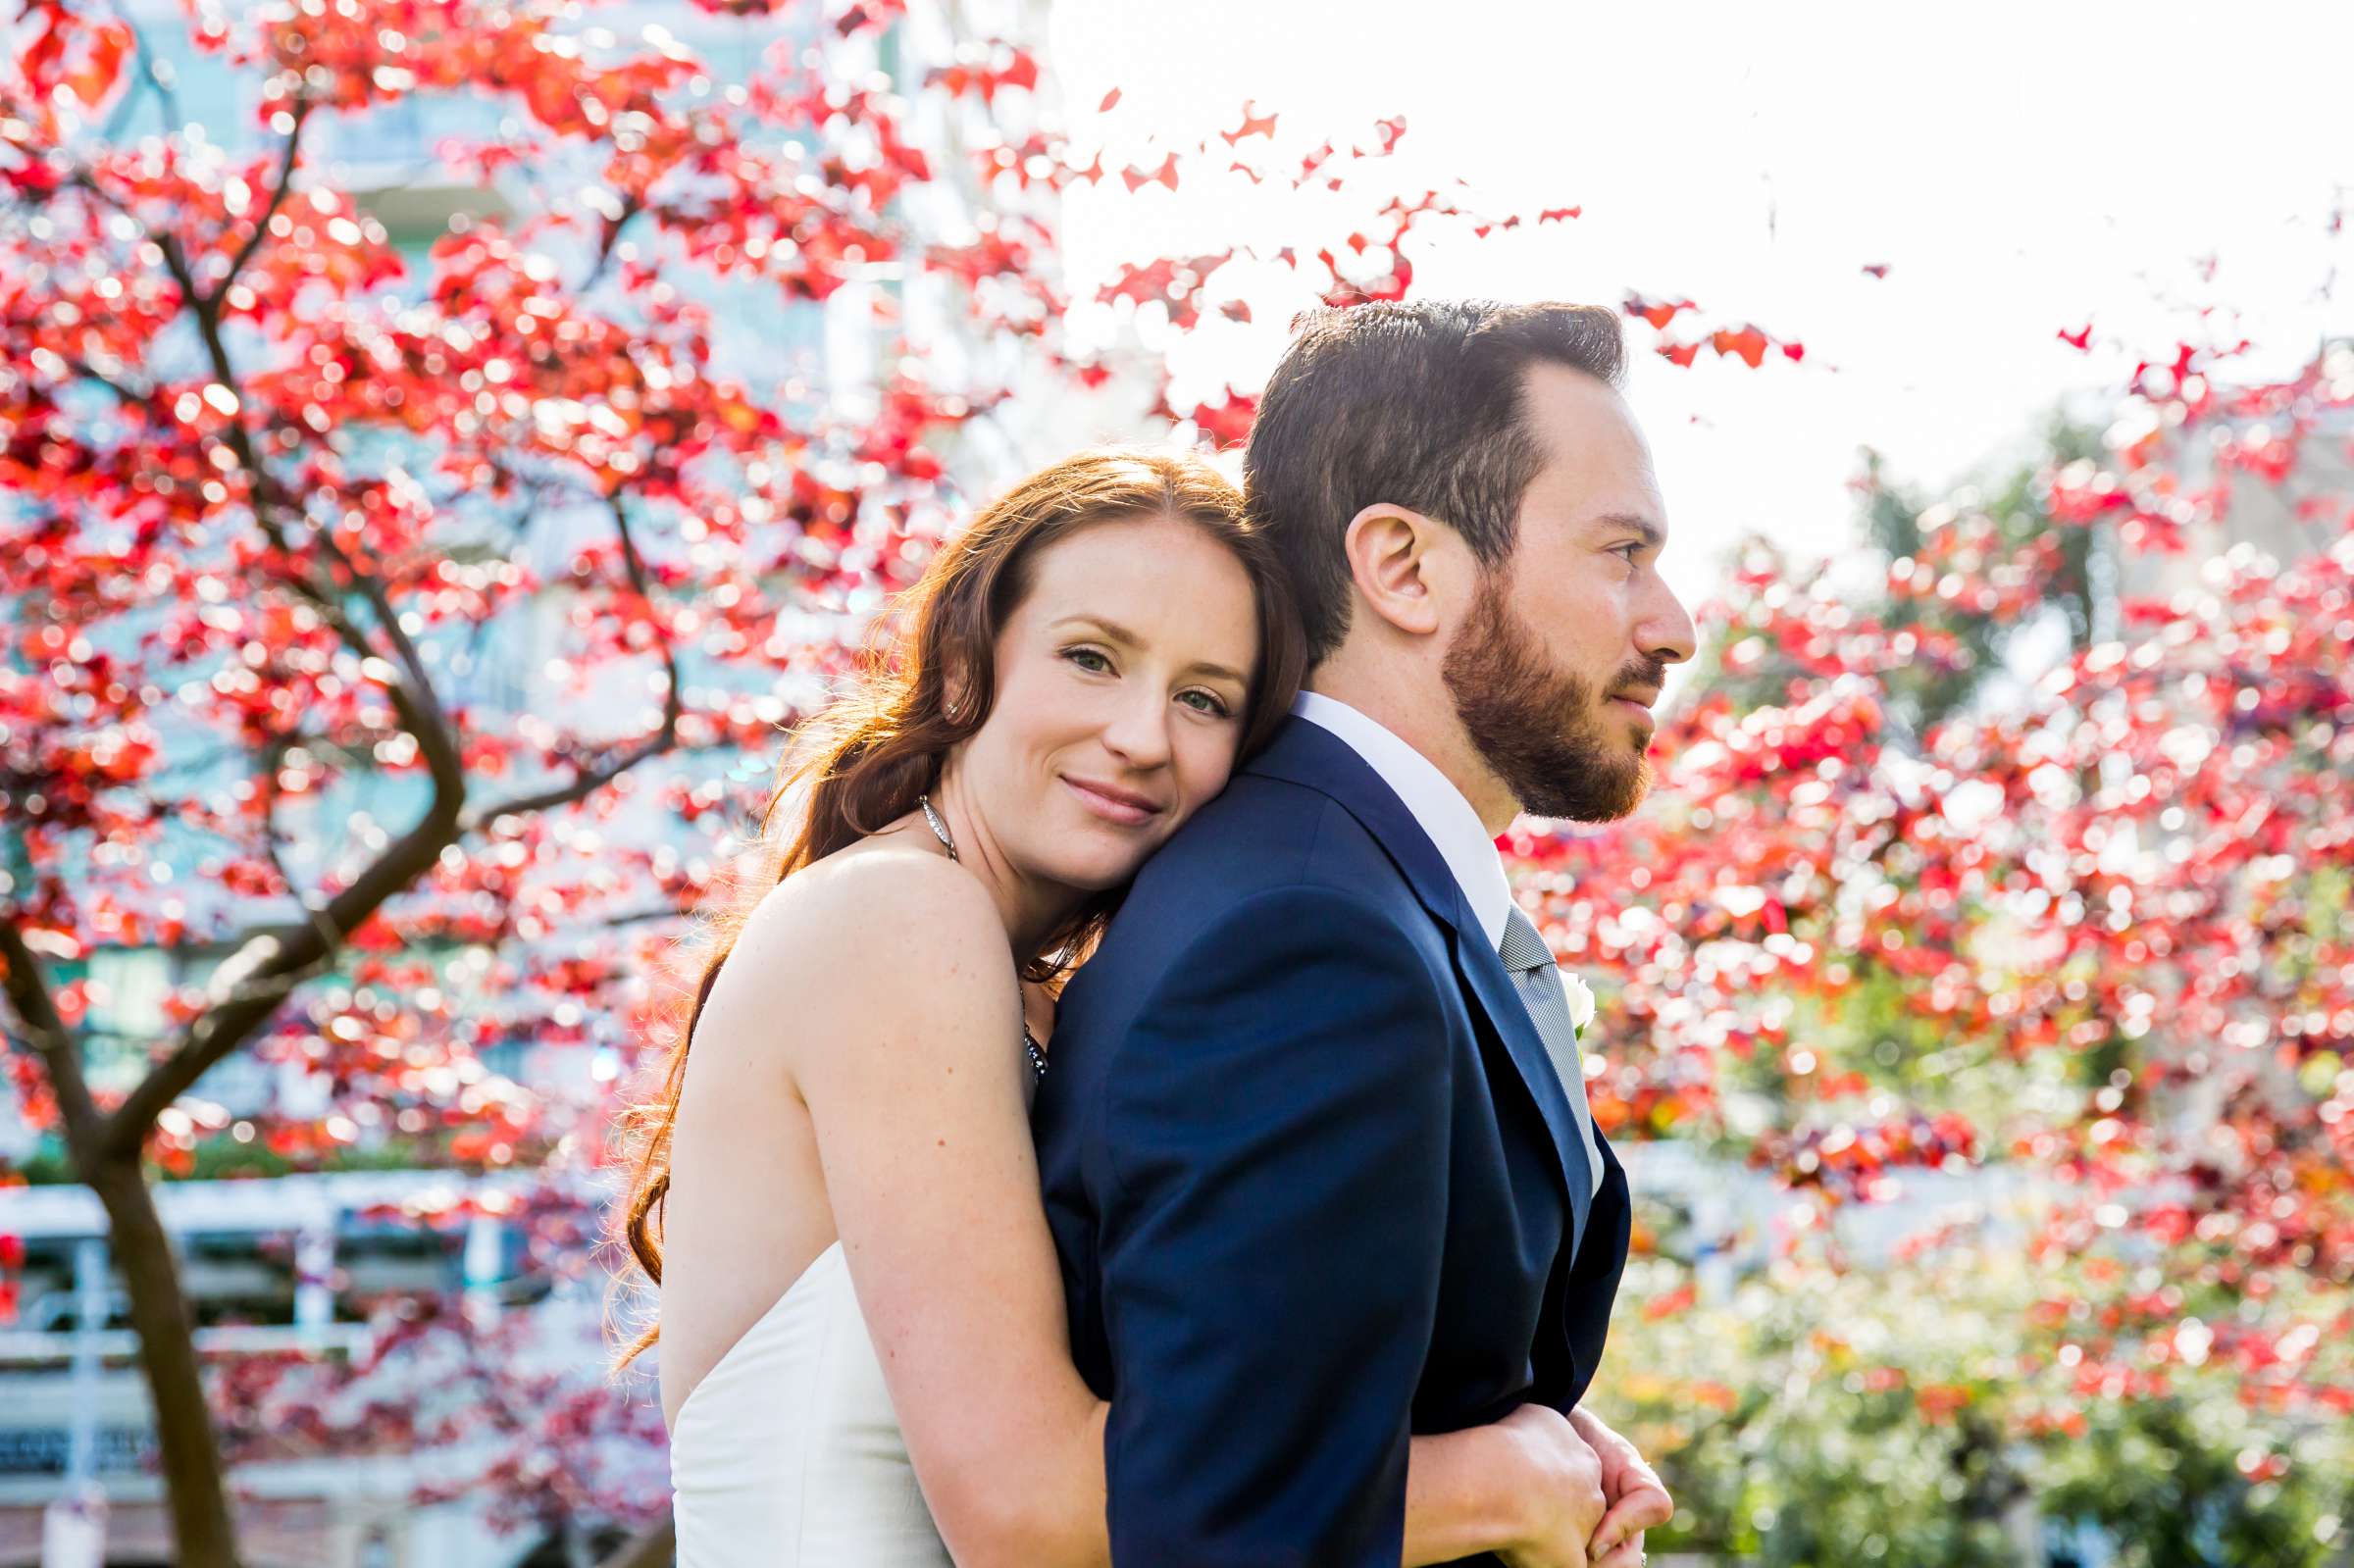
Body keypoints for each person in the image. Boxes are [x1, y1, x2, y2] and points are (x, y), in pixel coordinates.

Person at [622, 447, 1623, 1568]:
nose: (1144, 738)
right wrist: (1506, 1482)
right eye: (1092, 659)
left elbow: (1183, 1398)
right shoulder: (898, 921)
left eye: (1203, 698)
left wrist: (1512, 1423)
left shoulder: (1036, 989)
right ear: (966, 662)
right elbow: (1029, 1509)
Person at [1031, 299, 1696, 1568]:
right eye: (1621, 552)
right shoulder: (1302, 941)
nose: (1672, 625)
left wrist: (1519, 1430)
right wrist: (1500, 1484)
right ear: (1403, 565)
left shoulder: (1360, 898)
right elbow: (1218, 1530)